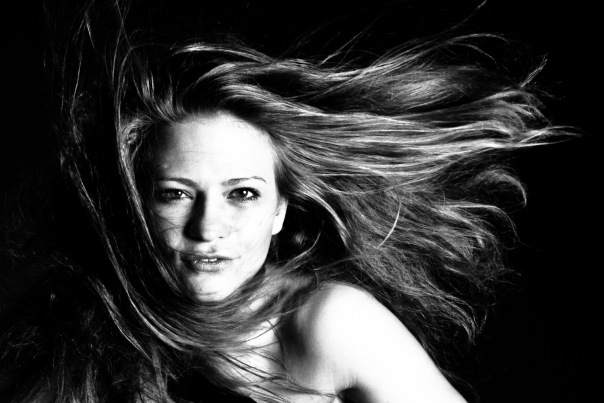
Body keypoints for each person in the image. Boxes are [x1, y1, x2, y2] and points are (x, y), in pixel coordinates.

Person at [0, 2, 566, 402]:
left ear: (279, 213)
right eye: (175, 195)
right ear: (137, 207)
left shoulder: (330, 324)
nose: (208, 227)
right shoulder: (91, 335)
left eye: (243, 194)